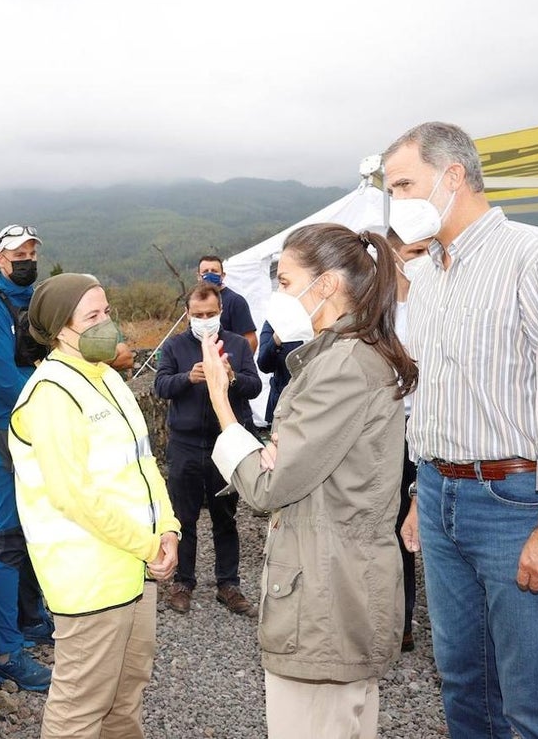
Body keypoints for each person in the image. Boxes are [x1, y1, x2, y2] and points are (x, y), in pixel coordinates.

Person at [386, 122, 538, 739]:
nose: (395, 201)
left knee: (532, 700)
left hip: (514, 502)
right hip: (438, 494)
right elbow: (431, 392)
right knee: (462, 683)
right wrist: (418, 494)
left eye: (404, 185)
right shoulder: (427, 274)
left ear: (453, 176)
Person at [201, 223, 416, 739]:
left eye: (285, 280)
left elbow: (270, 487)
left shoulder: (341, 366)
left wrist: (224, 410)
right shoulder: (348, 355)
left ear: (325, 287)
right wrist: (271, 455)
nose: (277, 295)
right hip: (337, 589)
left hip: (325, 599)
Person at [9, 272, 181, 739]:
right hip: (89, 579)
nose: (107, 323)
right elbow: (73, 495)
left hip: (132, 569)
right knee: (80, 708)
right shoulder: (51, 394)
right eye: (93, 316)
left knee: (126, 698)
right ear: (60, 329)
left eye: (107, 311)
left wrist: (168, 528)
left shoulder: (106, 377)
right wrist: (148, 546)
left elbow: (143, 463)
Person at [0, 224, 55, 690]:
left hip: (40, 431)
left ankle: (32, 618)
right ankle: (7, 650)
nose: (25, 260)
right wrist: (59, 402)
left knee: (33, 528)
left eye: (30, 252)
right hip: (8, 431)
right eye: (16, 254)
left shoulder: (36, 302)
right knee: (8, 535)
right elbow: (3, 379)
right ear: (0, 260)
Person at [153, 282, 260, 616]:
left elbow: (255, 387)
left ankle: (228, 583)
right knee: (183, 516)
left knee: (225, 516)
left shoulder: (239, 345)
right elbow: (160, 386)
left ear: (221, 311)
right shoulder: (174, 346)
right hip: (185, 443)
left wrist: (233, 378)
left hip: (225, 443)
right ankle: (183, 582)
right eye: (198, 315)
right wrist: (189, 377)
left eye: (210, 314)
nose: (204, 319)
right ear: (187, 314)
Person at [384, 227, 431, 653]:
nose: (424, 257)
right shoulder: (377, 310)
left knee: (411, 525)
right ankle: (392, 616)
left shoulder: (437, 301)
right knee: (388, 519)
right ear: (394, 255)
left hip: (427, 425)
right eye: (415, 251)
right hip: (386, 427)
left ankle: (407, 617)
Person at [197, 255, 257, 352]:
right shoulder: (195, 302)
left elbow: (250, 340)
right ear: (199, 276)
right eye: (205, 271)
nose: (210, 274)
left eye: (214, 271)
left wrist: (240, 363)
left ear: (223, 275)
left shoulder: (235, 301)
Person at [256, 321, 301, 429]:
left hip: (315, 400)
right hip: (283, 403)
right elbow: (264, 365)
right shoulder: (274, 321)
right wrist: (275, 340)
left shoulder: (322, 316)